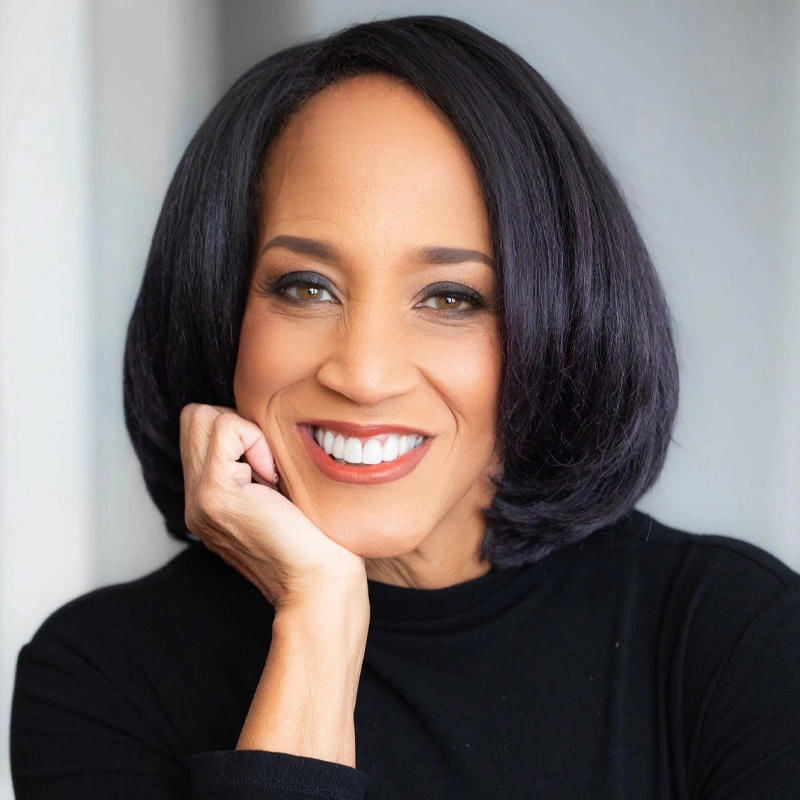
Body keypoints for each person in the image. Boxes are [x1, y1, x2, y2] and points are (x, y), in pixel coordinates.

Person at [9, 14, 800, 799]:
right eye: (306, 287)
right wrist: (318, 621)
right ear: (220, 308)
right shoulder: (102, 677)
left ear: (559, 326)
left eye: (451, 297)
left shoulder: (742, 640)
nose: (364, 374)